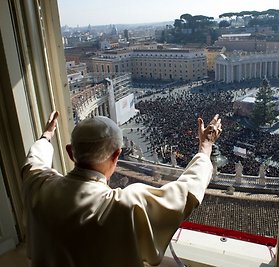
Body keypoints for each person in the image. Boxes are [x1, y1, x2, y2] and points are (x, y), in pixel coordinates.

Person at [22, 111, 222, 267]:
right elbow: (185, 192)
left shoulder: (39, 185)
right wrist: (205, 148)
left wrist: (46, 136)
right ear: (117, 155)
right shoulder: (125, 205)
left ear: (70, 153)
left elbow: (34, 161)